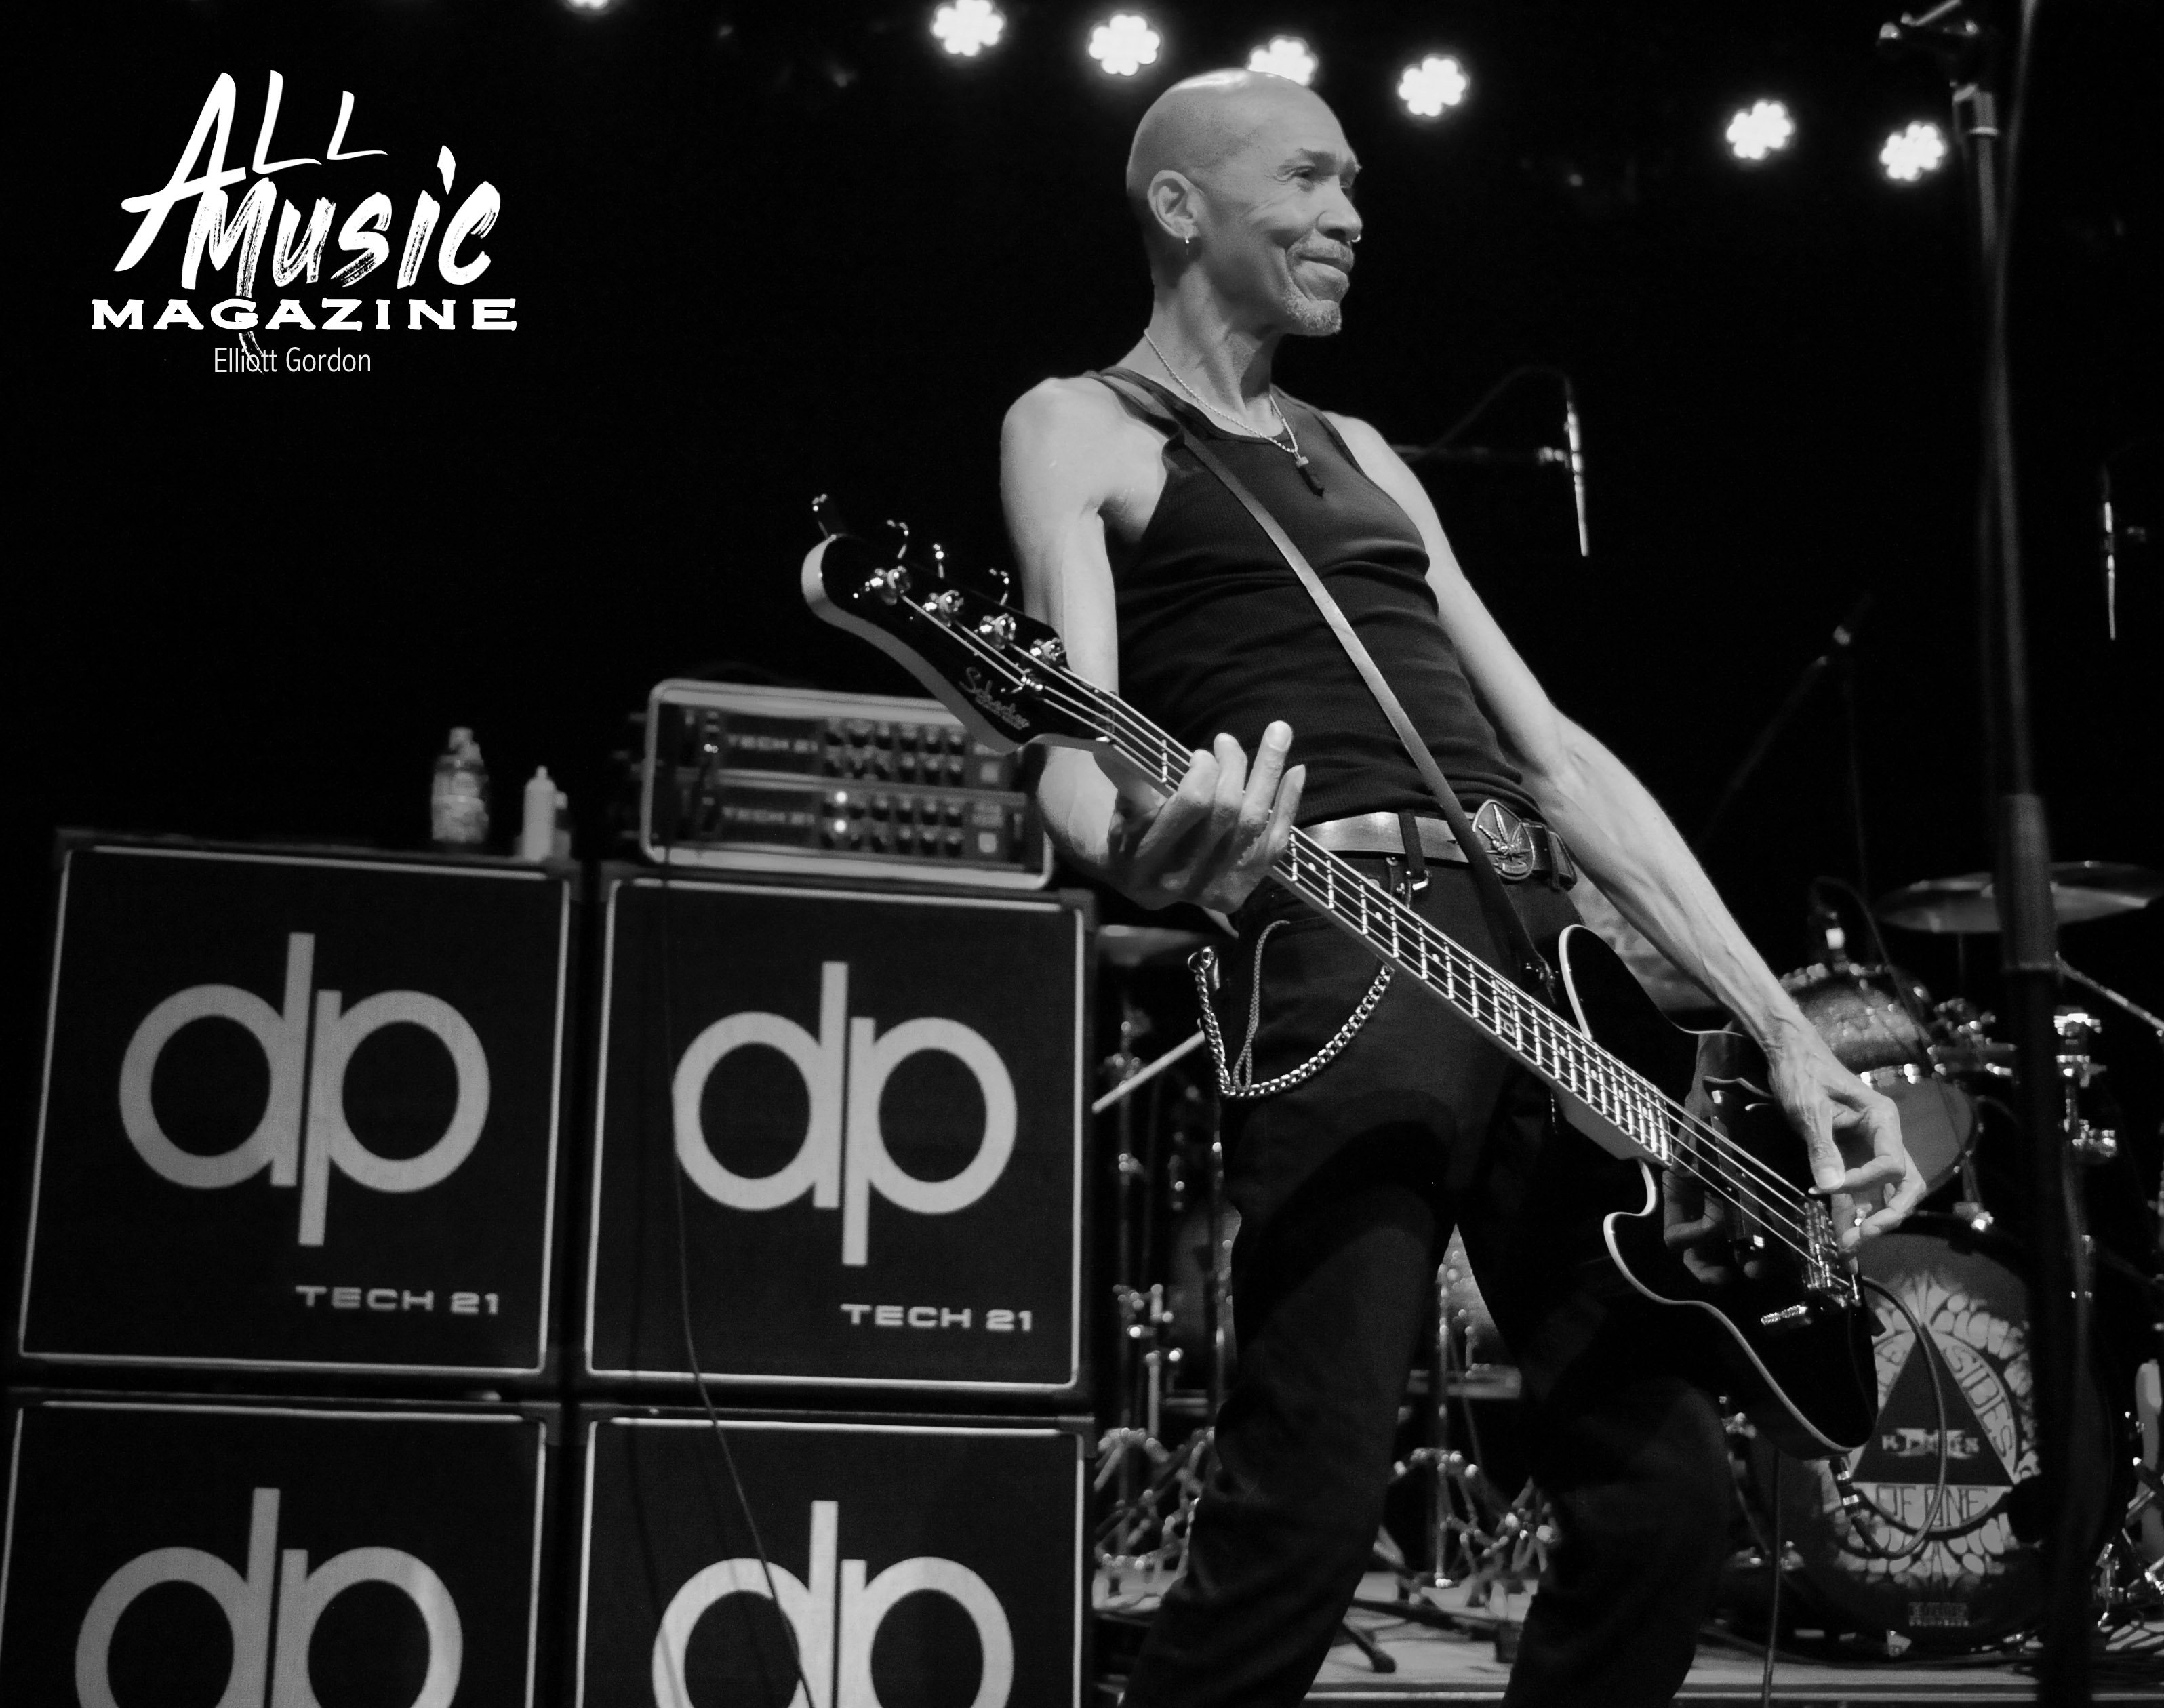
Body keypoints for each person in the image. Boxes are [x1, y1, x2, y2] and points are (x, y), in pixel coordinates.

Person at [1000, 68, 1923, 1708]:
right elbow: (1073, 745)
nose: (1352, 216)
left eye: (1357, 184)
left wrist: (1783, 1029)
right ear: (1179, 205)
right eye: (1310, 179)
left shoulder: (1362, 452)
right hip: (1343, 955)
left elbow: (1552, 756)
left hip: (1540, 964)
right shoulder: (1080, 424)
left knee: (1665, 1500)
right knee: (1310, 1498)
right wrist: (1140, 849)